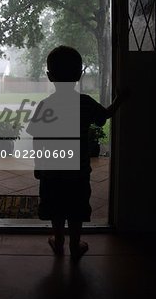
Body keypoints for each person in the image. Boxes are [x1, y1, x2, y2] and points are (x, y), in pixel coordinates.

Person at [26, 46, 124, 260]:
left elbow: (37, 138)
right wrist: (119, 99)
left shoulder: (45, 105)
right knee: (76, 207)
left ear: (49, 76)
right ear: (79, 75)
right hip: (78, 172)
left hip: (51, 172)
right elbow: (104, 116)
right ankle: (75, 244)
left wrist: (38, 165)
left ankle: (59, 241)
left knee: (56, 207)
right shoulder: (86, 103)